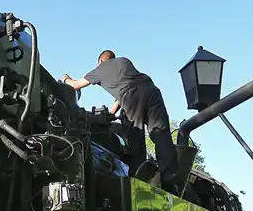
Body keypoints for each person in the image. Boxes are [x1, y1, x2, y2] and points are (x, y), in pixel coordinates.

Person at [61, 51, 179, 188]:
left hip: (132, 96)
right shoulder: (124, 62)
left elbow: (75, 85)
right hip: (152, 91)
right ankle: (171, 181)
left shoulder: (102, 68)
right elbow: (124, 93)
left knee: (135, 136)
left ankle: (138, 178)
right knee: (161, 134)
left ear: (101, 61)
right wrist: (111, 113)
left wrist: (65, 78)